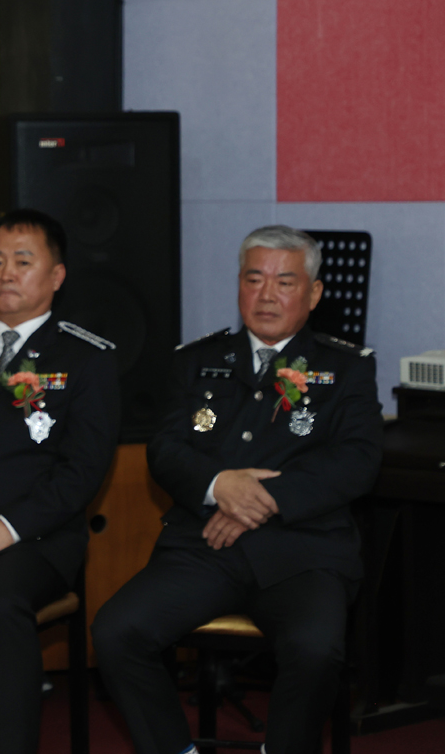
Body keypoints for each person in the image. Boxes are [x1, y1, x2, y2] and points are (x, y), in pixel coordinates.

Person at [92, 225, 383, 754]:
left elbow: (357, 461)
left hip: (303, 552)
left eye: (285, 282)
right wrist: (219, 484)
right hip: (206, 547)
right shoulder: (195, 360)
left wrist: (260, 501)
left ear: (314, 293)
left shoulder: (347, 368)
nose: (267, 294)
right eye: (254, 279)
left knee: (316, 650)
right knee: (116, 631)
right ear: (239, 286)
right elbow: (166, 448)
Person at [0, 208, 120, 754]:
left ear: (56, 276)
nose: (6, 273)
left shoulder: (87, 359)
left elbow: (82, 471)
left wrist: (6, 529)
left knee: (2, 601)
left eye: (22, 261)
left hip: (35, 542)